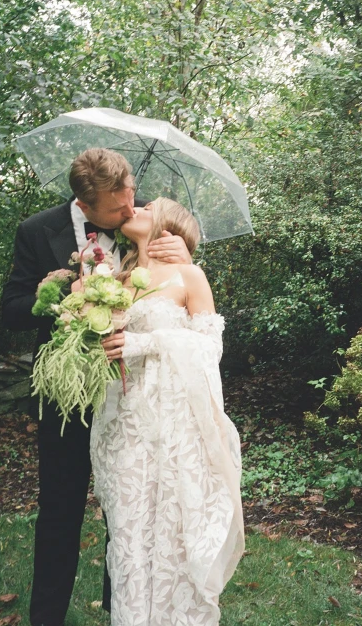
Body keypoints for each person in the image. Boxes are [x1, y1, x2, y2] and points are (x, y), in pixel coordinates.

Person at [1, 148, 192, 626]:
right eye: (117, 209)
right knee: (60, 512)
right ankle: (46, 617)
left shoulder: (143, 217)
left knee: (126, 512)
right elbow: (12, 310)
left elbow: (181, 281)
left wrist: (183, 251)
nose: (130, 211)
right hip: (65, 398)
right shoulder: (35, 231)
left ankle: (121, 611)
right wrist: (58, 291)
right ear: (83, 206)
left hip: (130, 395)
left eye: (131, 199)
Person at [90, 198, 244, 625]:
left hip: (176, 423)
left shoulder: (189, 274)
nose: (136, 206)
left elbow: (210, 348)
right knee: (129, 529)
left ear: (169, 222)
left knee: (174, 530)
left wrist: (146, 343)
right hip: (126, 419)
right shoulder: (112, 278)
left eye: (149, 204)